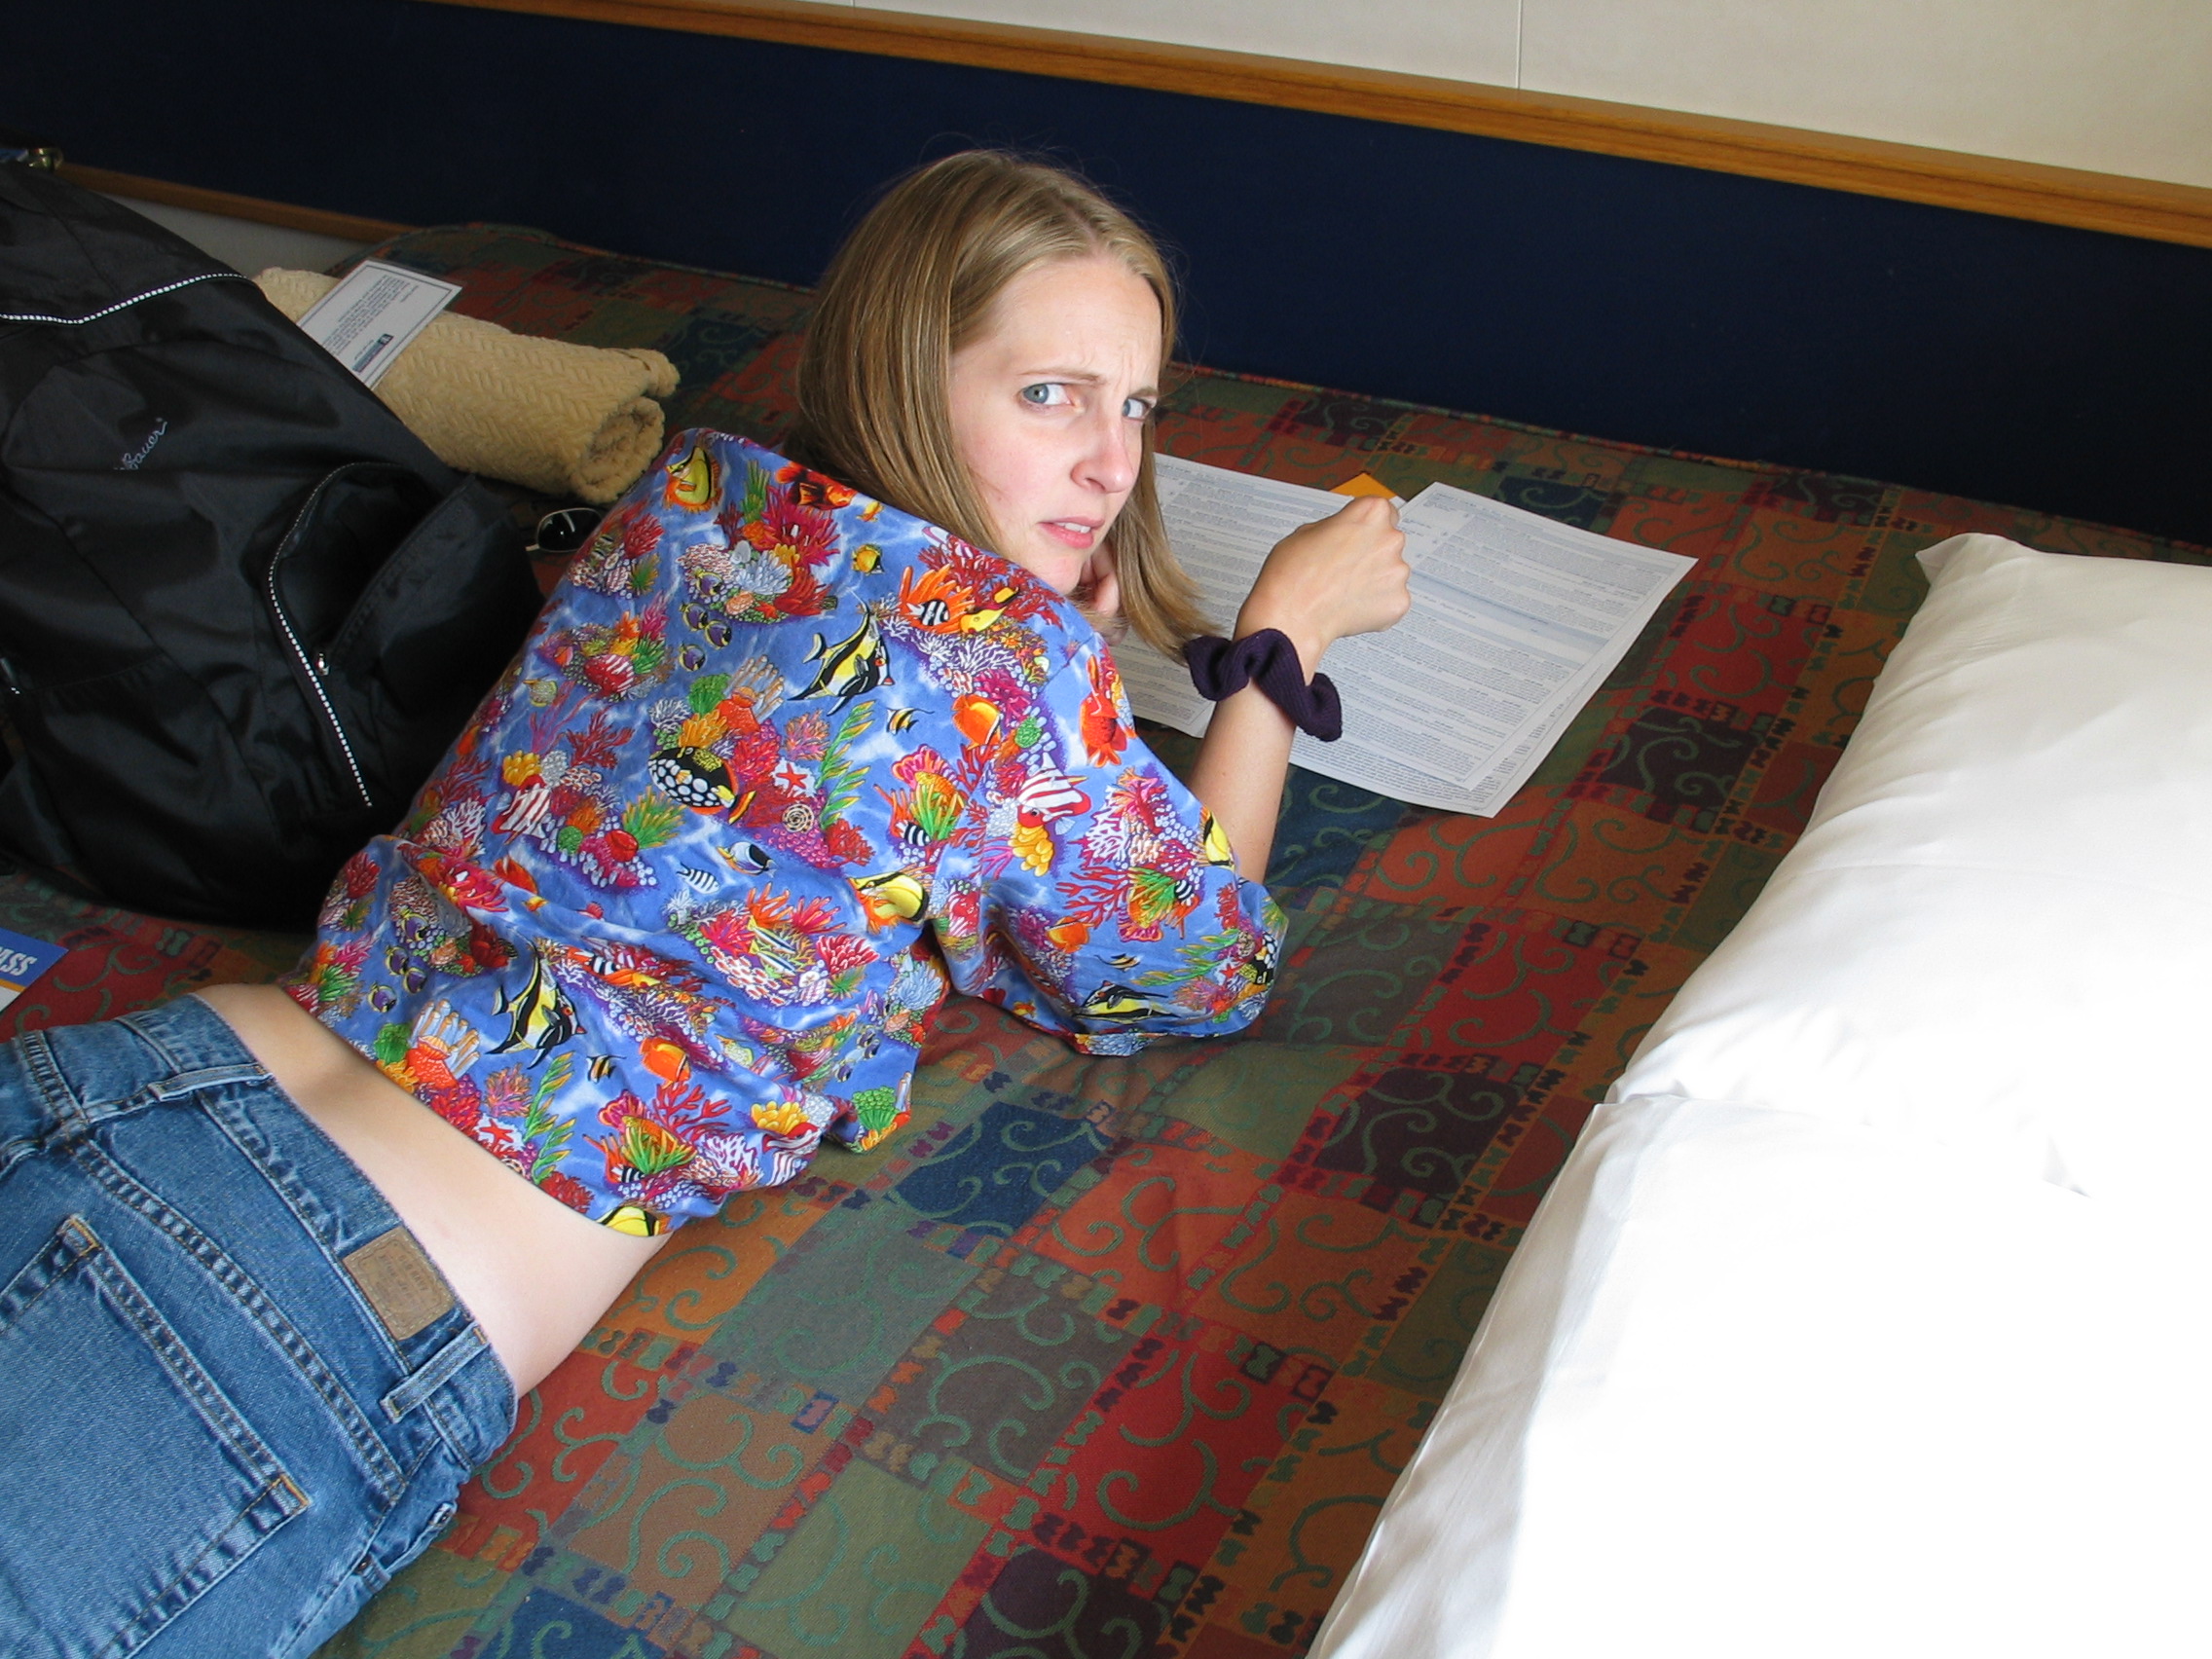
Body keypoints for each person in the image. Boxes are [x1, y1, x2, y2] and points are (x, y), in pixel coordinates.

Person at [0, 151, 1410, 1656]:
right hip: (294, 1291)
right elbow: (1196, 963)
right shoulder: (1010, 672)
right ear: (903, 377)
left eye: (1135, 407)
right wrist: (1281, 642)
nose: (1112, 465)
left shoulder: (690, 497)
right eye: (1050, 395)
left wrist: (1038, 649)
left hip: (141, 1078)